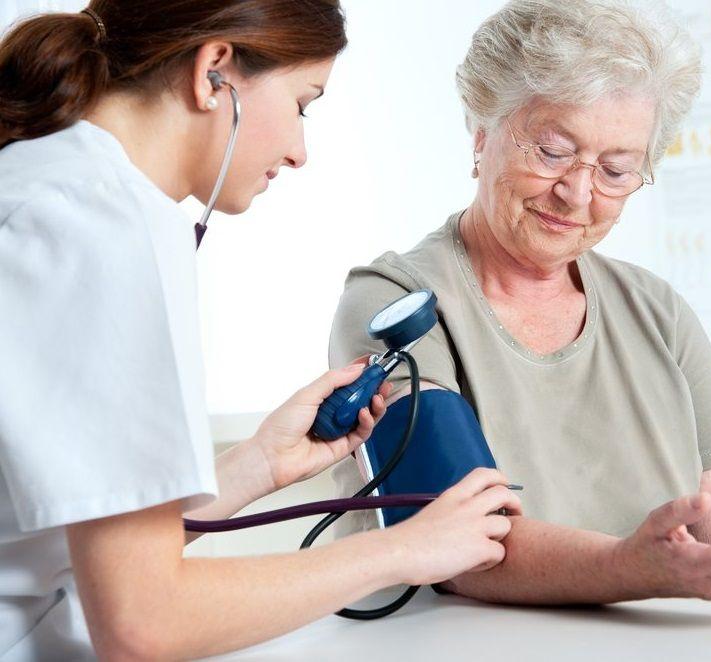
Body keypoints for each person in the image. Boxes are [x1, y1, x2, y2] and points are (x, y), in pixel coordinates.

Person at [0, 2, 521, 659]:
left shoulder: (48, 186)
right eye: (303, 103)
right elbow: (142, 623)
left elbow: (57, 546)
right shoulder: (107, 225)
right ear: (214, 71)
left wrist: (258, 465)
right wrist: (404, 549)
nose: (300, 152)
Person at [329, 0, 711, 608]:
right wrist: (632, 568)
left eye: (616, 170)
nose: (577, 193)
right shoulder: (397, 302)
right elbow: (454, 544)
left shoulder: (658, 313)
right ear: (482, 133)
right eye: (552, 151)